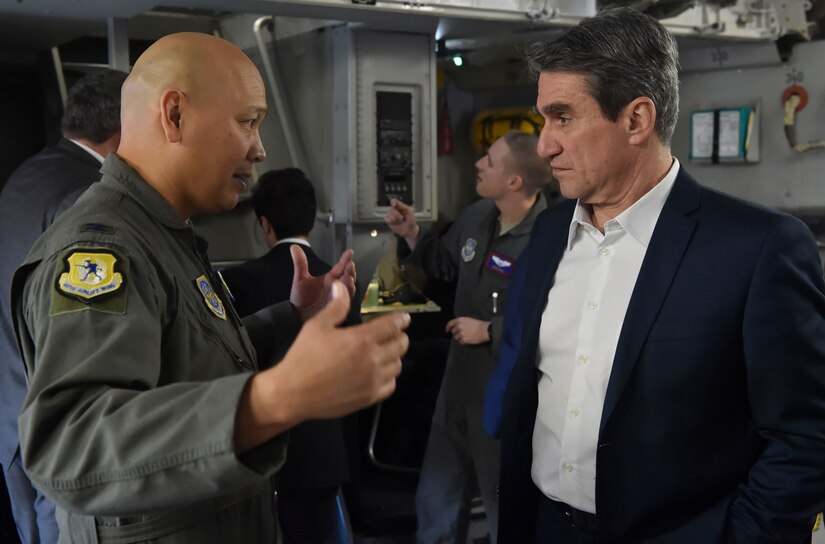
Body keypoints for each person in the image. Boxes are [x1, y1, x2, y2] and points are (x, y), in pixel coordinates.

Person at [10, 32, 409, 543]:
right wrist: (275, 398)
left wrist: (292, 318)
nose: (260, 149)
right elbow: (71, 444)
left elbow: (184, 360)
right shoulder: (103, 251)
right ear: (174, 116)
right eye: (247, 122)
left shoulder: (163, 234)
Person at [498, 7, 825, 543]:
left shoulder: (757, 248)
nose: (544, 145)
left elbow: (806, 437)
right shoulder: (551, 230)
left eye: (563, 118)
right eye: (543, 120)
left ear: (636, 120)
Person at [384, 130, 552, 544]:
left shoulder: (549, 238)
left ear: (515, 182)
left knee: (503, 507)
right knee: (438, 498)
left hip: (502, 397)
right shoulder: (477, 215)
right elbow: (445, 262)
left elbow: (555, 320)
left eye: (490, 161)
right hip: (457, 385)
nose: (478, 164)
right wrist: (412, 236)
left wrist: (490, 330)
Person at [0, 68, 126, 544]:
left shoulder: (27, 174)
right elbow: (87, 333)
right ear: (125, 127)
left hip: (11, 409)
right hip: (58, 429)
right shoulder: (88, 196)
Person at [220, 167, 358, 544]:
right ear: (312, 217)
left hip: (258, 447)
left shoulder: (237, 281)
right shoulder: (340, 279)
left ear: (265, 224)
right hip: (323, 449)